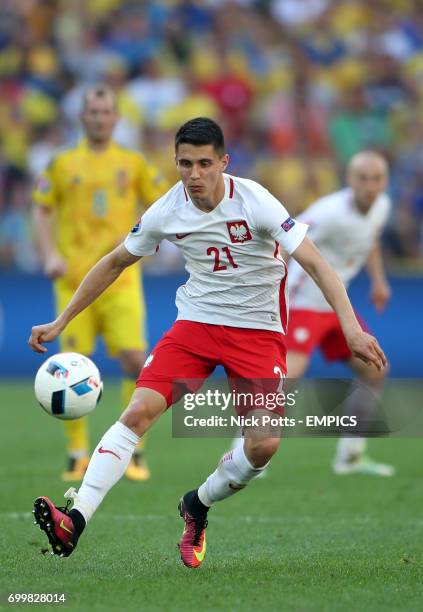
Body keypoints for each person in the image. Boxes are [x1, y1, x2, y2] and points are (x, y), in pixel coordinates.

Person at [29, 118, 387, 569]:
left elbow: (316, 264)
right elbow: (117, 260)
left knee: (263, 445)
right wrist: (62, 319)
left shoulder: (255, 201)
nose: (193, 175)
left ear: (223, 162)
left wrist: (351, 327)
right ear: (175, 163)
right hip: (196, 325)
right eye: (184, 164)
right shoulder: (167, 209)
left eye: (203, 164)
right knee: (138, 411)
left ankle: (197, 504)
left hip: (258, 332)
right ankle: (74, 520)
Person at [32, 84, 168, 481]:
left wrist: (151, 237)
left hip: (122, 280)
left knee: (133, 359)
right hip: (74, 279)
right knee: (69, 368)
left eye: (106, 112)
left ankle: (134, 450)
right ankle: (77, 453)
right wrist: (49, 255)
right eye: (93, 112)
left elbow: (163, 203)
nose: (99, 118)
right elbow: (41, 211)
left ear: (116, 118)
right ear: (82, 117)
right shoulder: (61, 164)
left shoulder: (134, 162)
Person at [286, 151, 393, 476]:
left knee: (375, 370)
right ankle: (244, 452)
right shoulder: (328, 212)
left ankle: (350, 456)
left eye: (376, 179)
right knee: (285, 378)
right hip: (302, 300)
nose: (370, 186)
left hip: (337, 305)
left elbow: (370, 238)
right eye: (363, 178)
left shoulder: (382, 207)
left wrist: (378, 280)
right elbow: (286, 236)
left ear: (384, 182)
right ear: (350, 180)